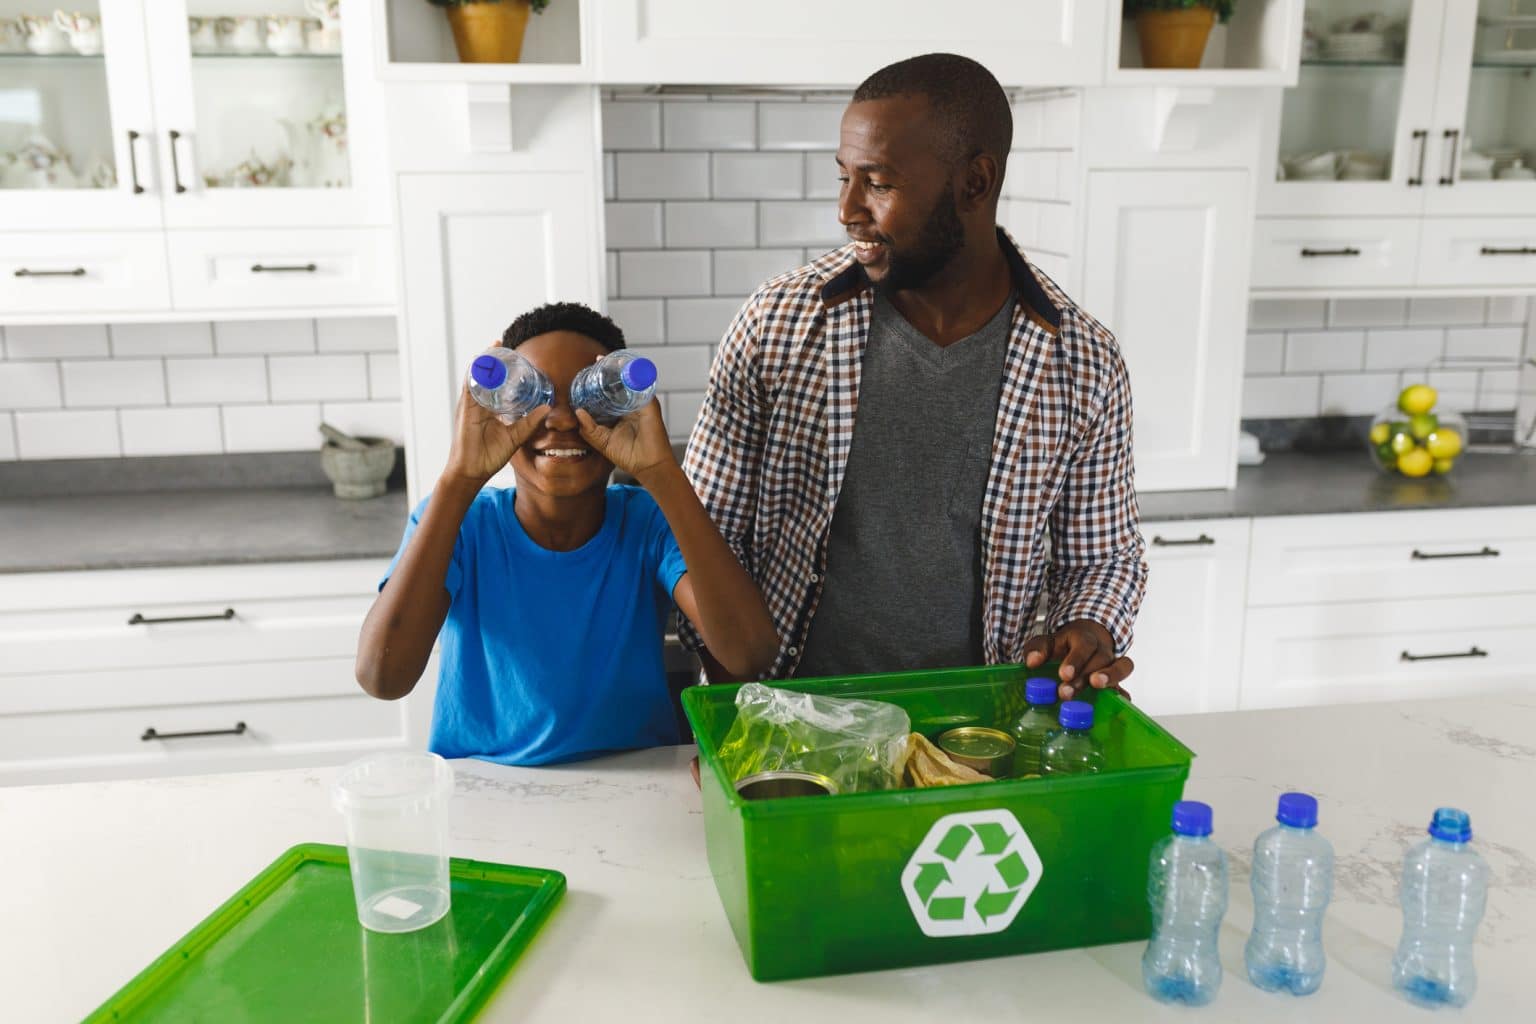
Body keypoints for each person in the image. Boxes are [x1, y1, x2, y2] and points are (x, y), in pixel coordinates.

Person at [680, 53, 1146, 701]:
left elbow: (1102, 558)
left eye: (877, 183)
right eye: (844, 177)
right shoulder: (779, 323)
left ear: (975, 183)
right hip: (795, 720)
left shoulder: (1083, 361)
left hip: (977, 727)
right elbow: (704, 537)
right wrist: (736, 703)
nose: (846, 209)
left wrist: (1087, 626)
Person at [355, 302, 779, 765]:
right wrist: (459, 479)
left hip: (635, 781)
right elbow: (383, 677)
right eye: (531, 396)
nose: (560, 420)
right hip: (481, 787)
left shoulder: (648, 524)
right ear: (499, 411)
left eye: (587, 399)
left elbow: (749, 654)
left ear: (624, 408)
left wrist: (661, 472)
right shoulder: (460, 525)